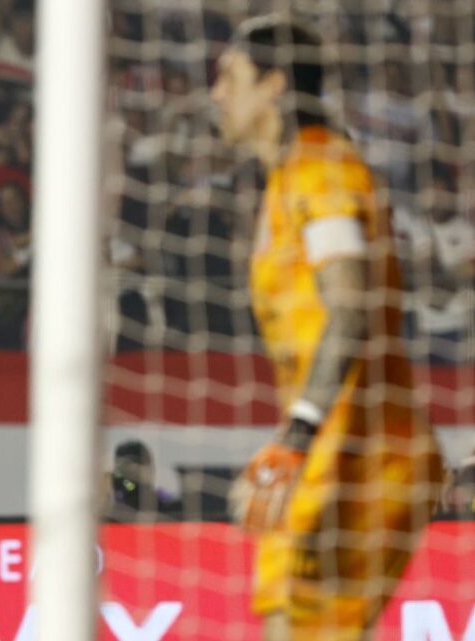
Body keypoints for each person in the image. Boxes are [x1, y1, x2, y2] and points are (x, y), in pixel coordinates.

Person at [212, 16, 444, 641]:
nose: (215, 93)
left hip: (360, 457)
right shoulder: (288, 180)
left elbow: (350, 305)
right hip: (330, 453)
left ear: (274, 87)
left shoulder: (322, 169)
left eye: (230, 76)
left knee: (291, 621)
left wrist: (297, 431)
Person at [104, 440, 179, 522]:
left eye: (138, 467)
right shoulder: (113, 505)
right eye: (125, 469)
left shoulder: (164, 501)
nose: (133, 474)